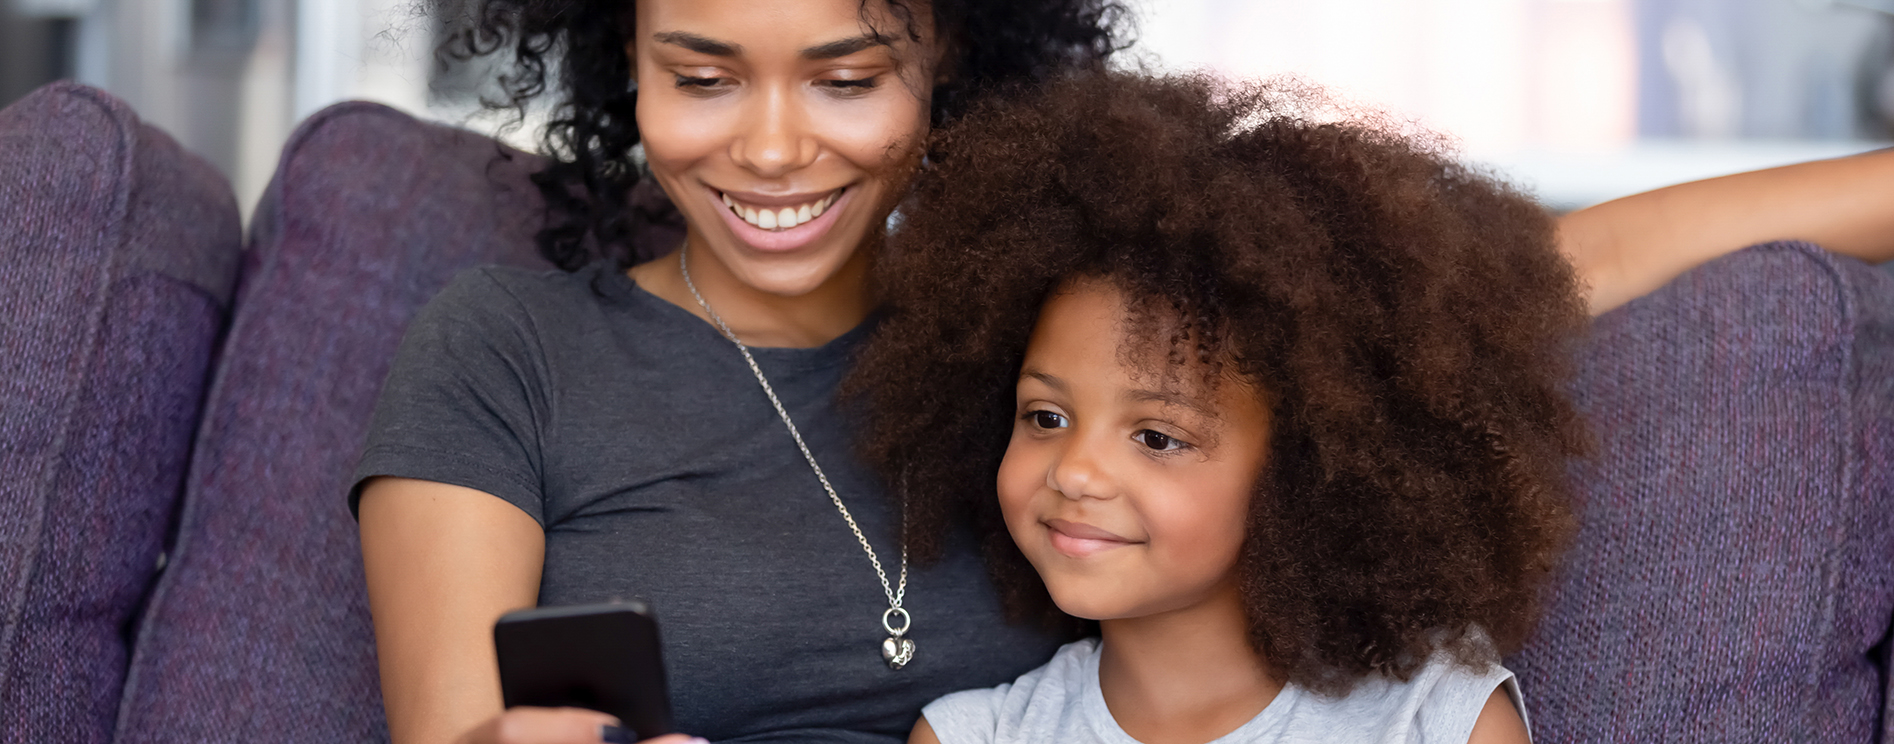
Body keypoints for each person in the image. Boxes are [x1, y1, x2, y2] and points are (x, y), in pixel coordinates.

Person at [351, 1, 1894, 743]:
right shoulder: (509, 350)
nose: (770, 147)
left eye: (847, 75)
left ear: (942, 65)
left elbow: (1523, 273)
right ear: (613, 68)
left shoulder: (1059, 311)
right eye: (700, 77)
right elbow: (451, 737)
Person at [846, 71, 1589, 744]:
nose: (1074, 471)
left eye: (1157, 437)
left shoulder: (1436, 721)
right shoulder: (974, 737)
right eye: (1046, 417)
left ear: (1306, 474)